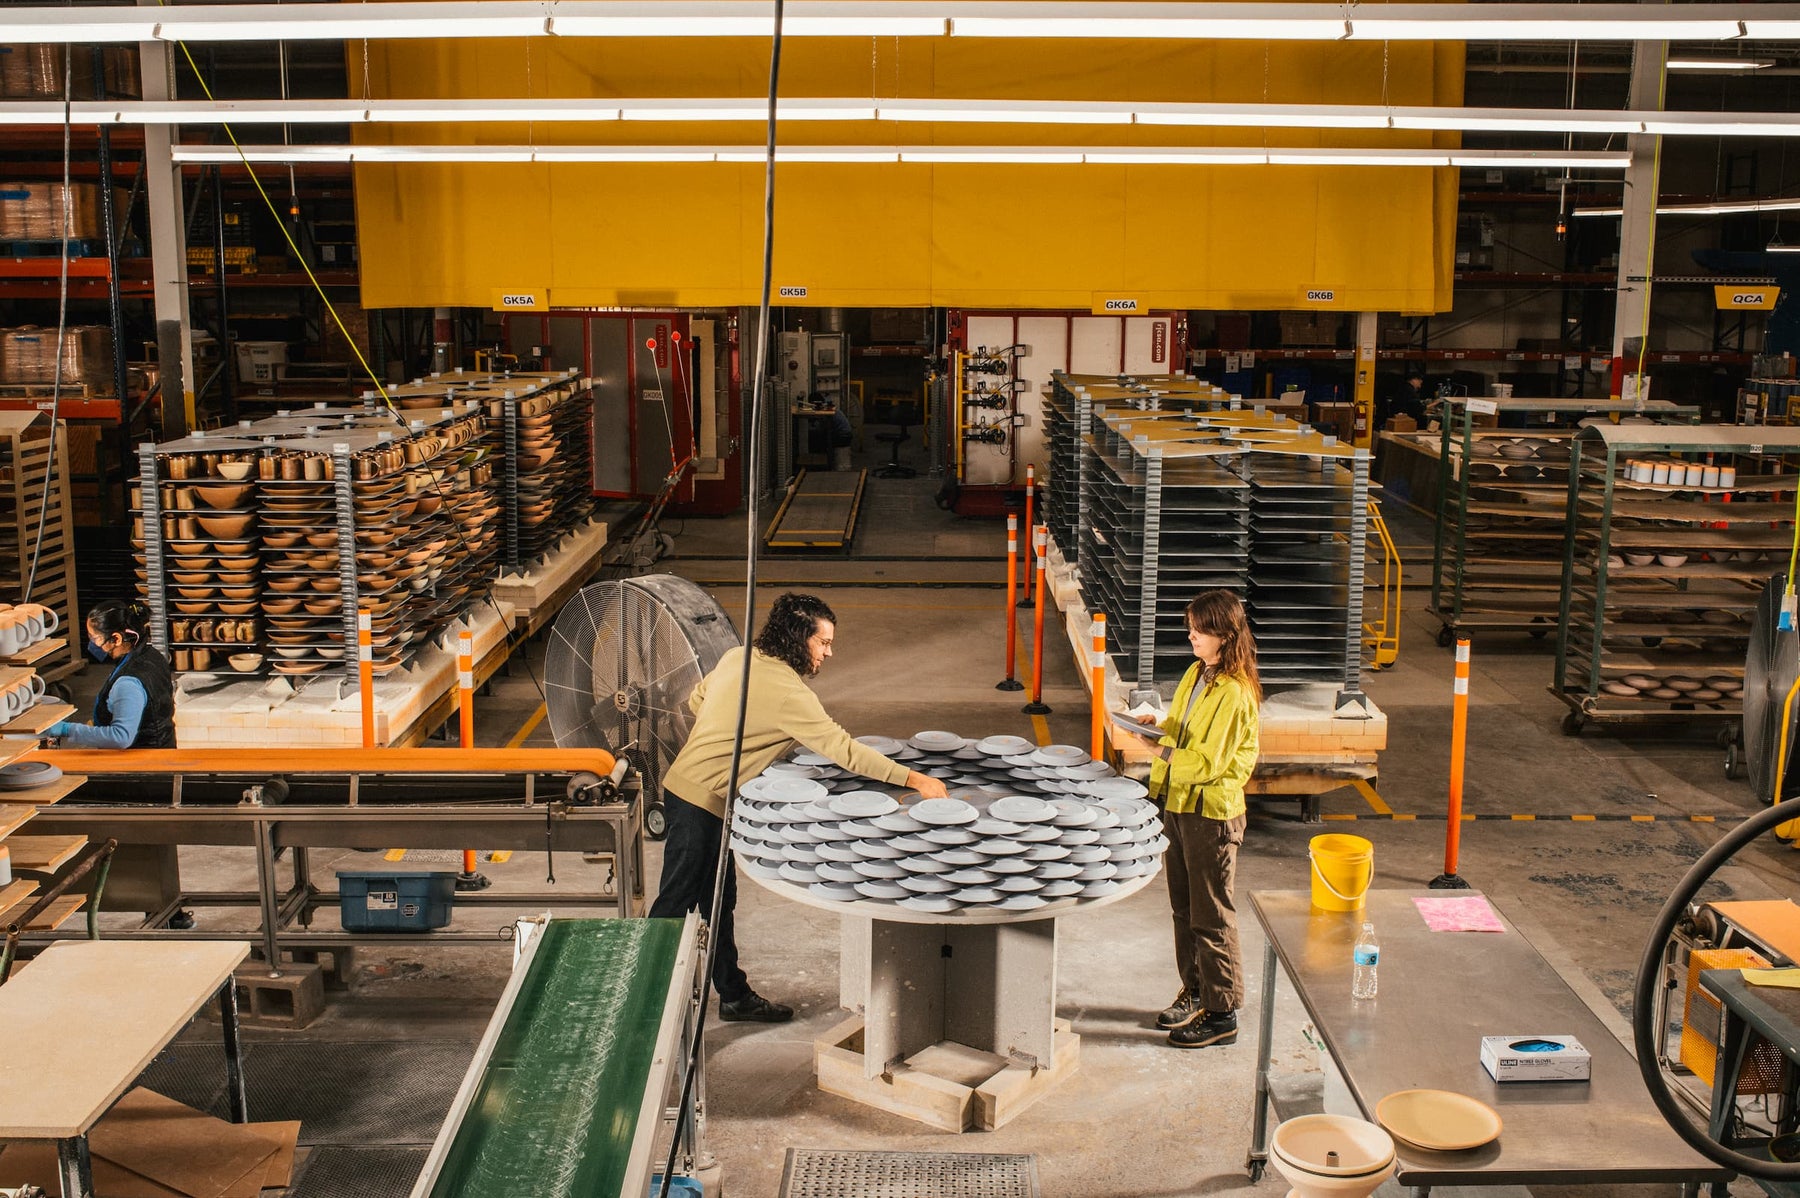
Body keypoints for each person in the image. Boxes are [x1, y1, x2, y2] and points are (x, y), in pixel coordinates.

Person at [651, 592, 949, 1022]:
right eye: (823, 642)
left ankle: (733, 995)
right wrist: (915, 779)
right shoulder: (792, 696)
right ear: (797, 639)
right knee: (674, 905)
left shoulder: (738, 658)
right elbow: (845, 752)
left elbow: (697, 700)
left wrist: (749, 733)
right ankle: (643, 1007)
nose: (829, 652)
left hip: (687, 792)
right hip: (701, 804)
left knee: (719, 902)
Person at [1125, 590, 1260, 1049]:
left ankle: (1222, 1015)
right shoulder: (1196, 673)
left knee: (1212, 916)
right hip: (1179, 806)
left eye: (1199, 630)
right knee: (1184, 911)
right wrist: (1155, 723)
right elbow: (1184, 730)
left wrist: (1156, 749)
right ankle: (1198, 990)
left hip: (1212, 816)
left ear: (1225, 635)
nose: (1191, 636)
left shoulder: (1236, 693)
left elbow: (1208, 764)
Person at [43, 598, 177, 749]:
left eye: (95, 638)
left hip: (141, 765)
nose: (93, 643)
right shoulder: (152, 655)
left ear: (116, 639)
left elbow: (120, 738)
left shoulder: (128, 683)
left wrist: (68, 729)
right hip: (162, 749)